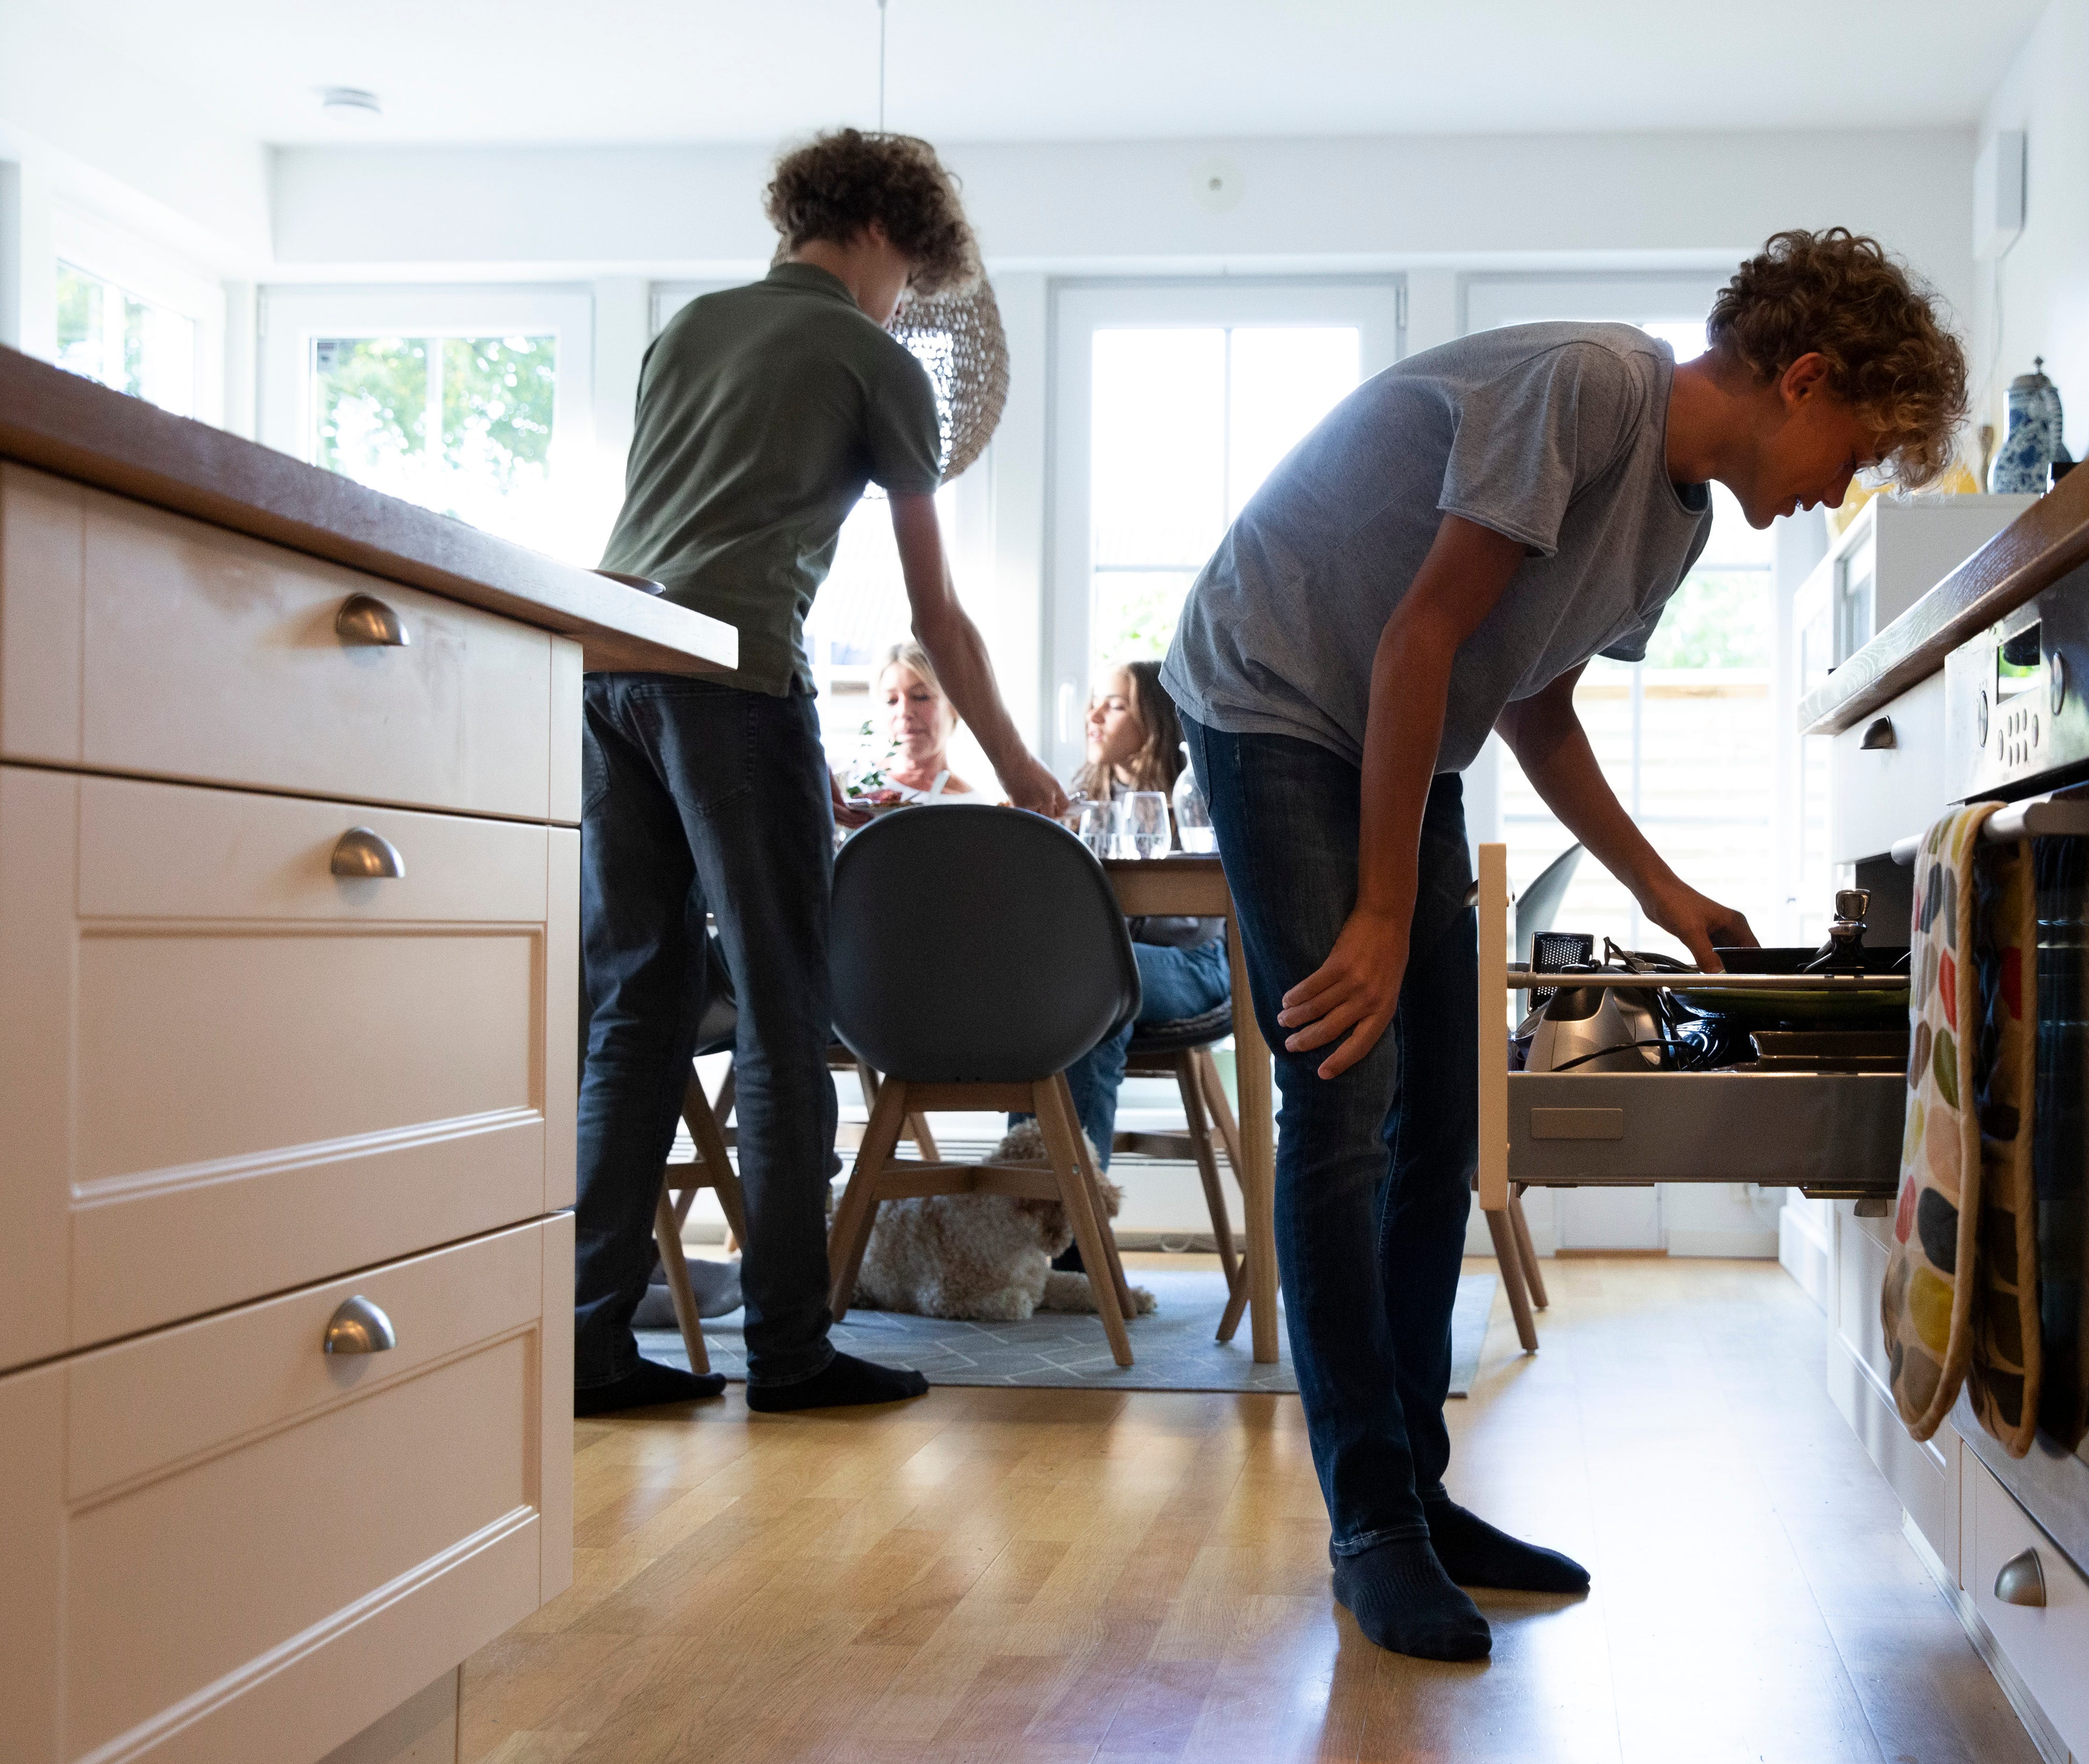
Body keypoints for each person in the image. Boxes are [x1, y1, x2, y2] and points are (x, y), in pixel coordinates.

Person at [1162, 228, 1971, 1660]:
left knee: (1443, 1117)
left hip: (1396, 726)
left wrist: (1660, 888)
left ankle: (1417, 1489)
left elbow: (1530, 703)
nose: (1841, 488)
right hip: (1280, 689)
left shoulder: (1682, 524)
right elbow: (1421, 637)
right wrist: (1382, 910)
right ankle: (1371, 1526)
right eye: (1857, 448)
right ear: (1802, 378)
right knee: (1344, 1103)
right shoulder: (1592, 389)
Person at [574, 128, 1066, 1419]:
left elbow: (665, 528)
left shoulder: (686, 331)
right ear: (890, 238)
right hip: (733, 683)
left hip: (606, 677)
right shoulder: (870, 356)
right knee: (790, 1016)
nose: (907, 301)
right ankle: (789, 1350)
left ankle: (584, 1341)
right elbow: (937, 615)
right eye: (912, 278)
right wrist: (1019, 768)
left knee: (635, 1011)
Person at [1058, 662, 1231, 1164]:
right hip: (1102, 972)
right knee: (1078, 994)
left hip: (1196, 964)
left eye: (1114, 705)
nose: (1092, 716)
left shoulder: (1197, 800)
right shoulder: (1077, 804)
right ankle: (1053, 1206)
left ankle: (1065, 1208)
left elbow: (1194, 921)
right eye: (1094, 702)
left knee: (1089, 981)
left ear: (1156, 719)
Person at [837, 639, 975, 825]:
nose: (904, 712)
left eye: (921, 696)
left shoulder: (973, 808)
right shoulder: (850, 783)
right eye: (891, 700)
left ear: (954, 705)